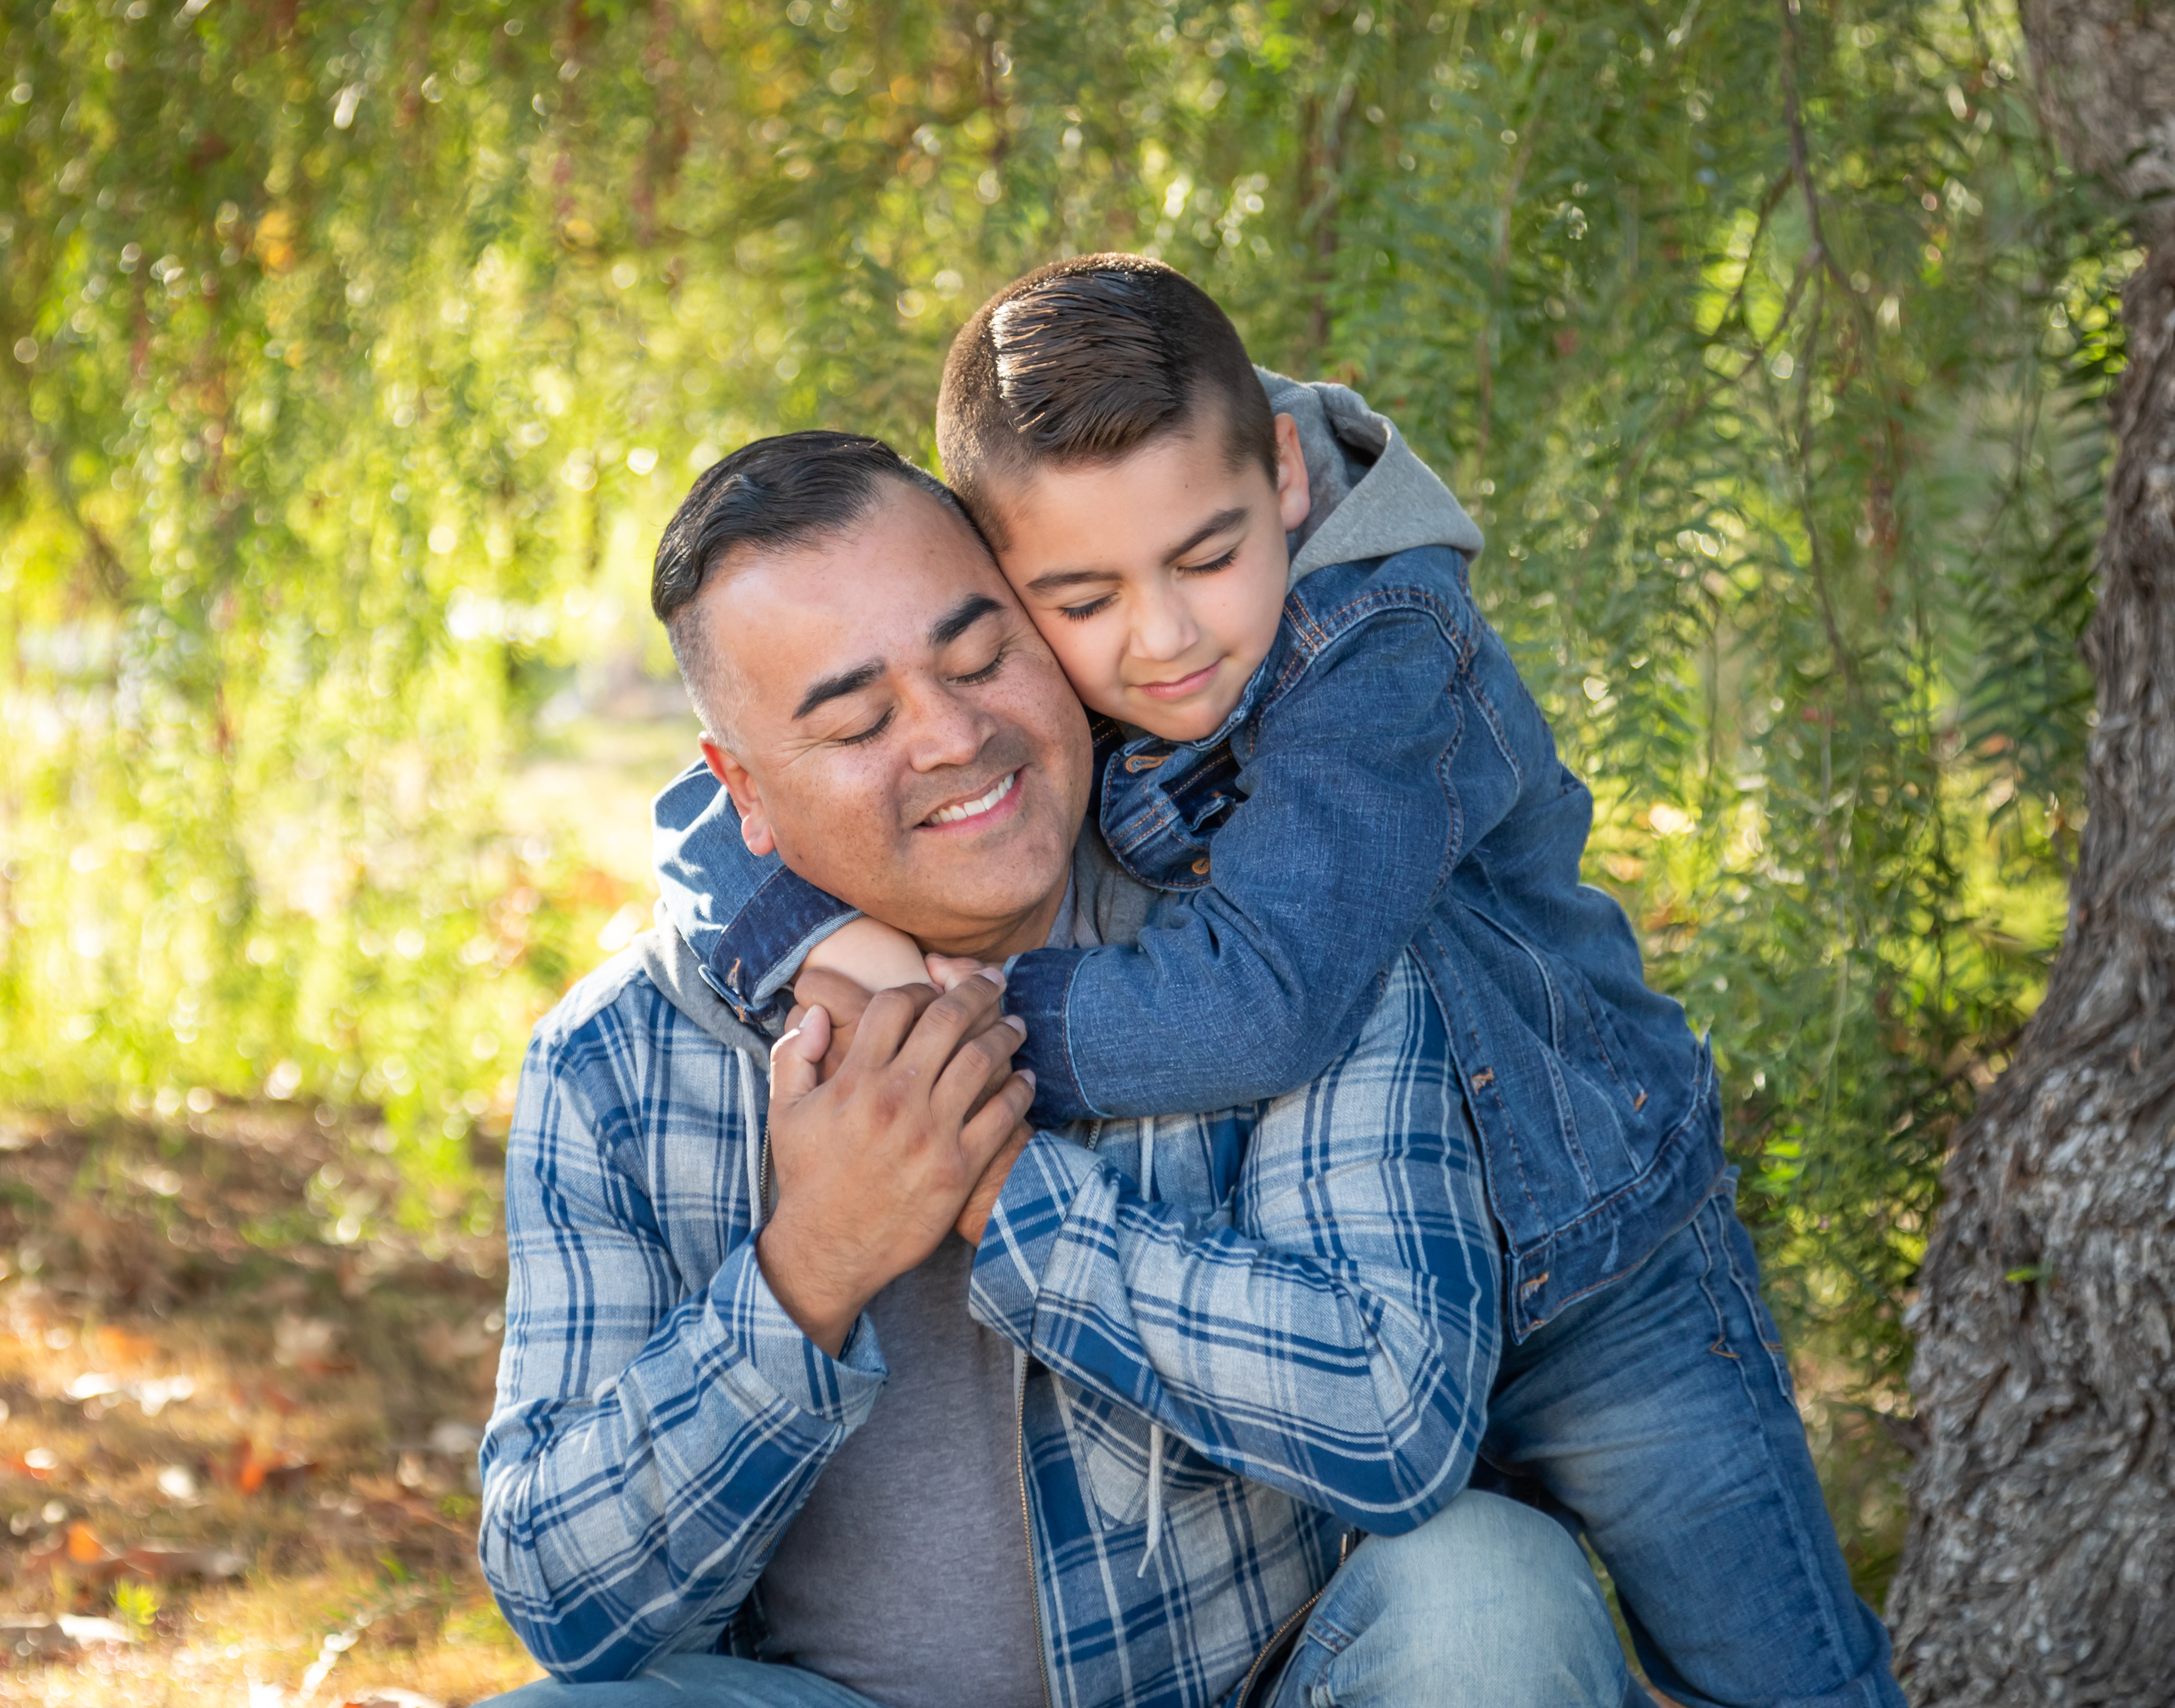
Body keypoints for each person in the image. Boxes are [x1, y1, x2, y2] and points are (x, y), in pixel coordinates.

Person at [651, 256, 1903, 1708]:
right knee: (1481, 1627)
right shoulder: (1025, 671)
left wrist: (958, 1035)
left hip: (1601, 1268)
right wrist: (828, 942)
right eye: (1079, 597)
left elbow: (1262, 999)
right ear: (996, 576)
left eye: (1203, 557)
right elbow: (702, 816)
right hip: (1370, 1273)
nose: (1163, 636)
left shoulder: (1381, 652)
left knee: (1780, 1675)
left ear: (1291, 478)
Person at [476, 434, 1634, 1708]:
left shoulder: (1270, 943)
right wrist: (815, 1262)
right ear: (741, 795)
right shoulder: (620, 1062)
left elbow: (1395, 1416)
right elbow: (566, 1606)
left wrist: (1012, 1197)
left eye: (982, 657)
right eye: (859, 721)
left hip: (1260, 1688)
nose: (955, 735)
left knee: (1490, 1594)